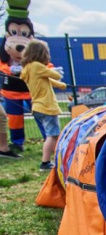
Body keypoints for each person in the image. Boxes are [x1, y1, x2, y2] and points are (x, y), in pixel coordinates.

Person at [20, 40, 66, 171]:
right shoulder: (37, 66)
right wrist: (53, 70)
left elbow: (46, 80)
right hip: (47, 107)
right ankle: (45, 163)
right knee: (52, 135)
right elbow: (55, 75)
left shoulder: (28, 68)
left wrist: (61, 86)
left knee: (53, 135)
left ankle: (59, 159)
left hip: (37, 107)